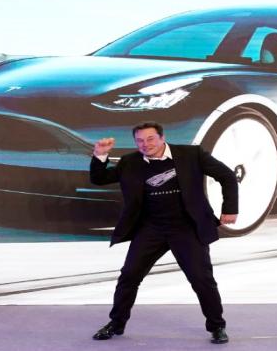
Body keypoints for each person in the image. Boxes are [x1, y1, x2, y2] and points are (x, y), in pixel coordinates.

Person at [89, 121, 239, 344]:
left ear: (162, 137)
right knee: (129, 277)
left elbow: (227, 175)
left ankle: (217, 326)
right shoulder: (130, 162)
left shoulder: (191, 154)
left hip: (186, 228)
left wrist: (229, 209)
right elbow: (99, 179)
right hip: (151, 229)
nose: (145, 144)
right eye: (139, 140)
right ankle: (116, 323)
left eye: (150, 139)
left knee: (202, 280)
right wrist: (100, 156)